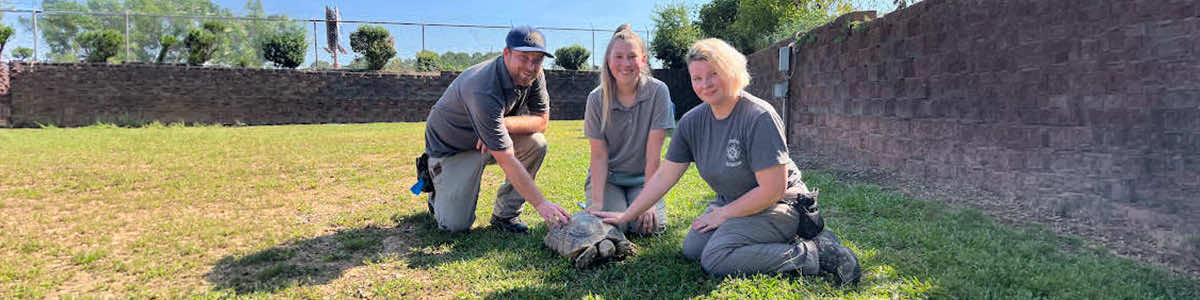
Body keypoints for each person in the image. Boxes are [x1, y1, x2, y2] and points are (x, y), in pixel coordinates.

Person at [592, 38, 861, 285]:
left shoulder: (758, 116)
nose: (705, 84)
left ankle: (816, 253)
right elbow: (664, 177)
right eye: (697, 78)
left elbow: (772, 189)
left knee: (716, 257)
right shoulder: (691, 122)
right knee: (693, 249)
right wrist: (629, 214)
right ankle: (772, 240)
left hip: (781, 204)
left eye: (713, 74)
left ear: (731, 70)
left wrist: (723, 214)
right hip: (733, 203)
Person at [422, 25, 570, 234]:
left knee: (536, 144)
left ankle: (505, 215)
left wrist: (503, 124)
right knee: (455, 226)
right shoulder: (482, 86)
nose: (531, 66)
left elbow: (542, 121)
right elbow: (506, 158)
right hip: (452, 149)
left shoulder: (535, 75)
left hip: (486, 140)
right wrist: (542, 204)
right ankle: (434, 181)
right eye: (524, 57)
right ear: (506, 53)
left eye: (537, 59)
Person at [582, 24, 675, 235]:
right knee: (613, 226)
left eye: (632, 56)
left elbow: (654, 155)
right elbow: (598, 155)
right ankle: (595, 200)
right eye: (619, 57)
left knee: (650, 227)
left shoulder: (658, 92)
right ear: (608, 59)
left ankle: (634, 203)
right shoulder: (596, 99)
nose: (625, 63)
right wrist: (597, 203)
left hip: (643, 180)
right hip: (609, 178)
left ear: (643, 59)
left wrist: (648, 202)